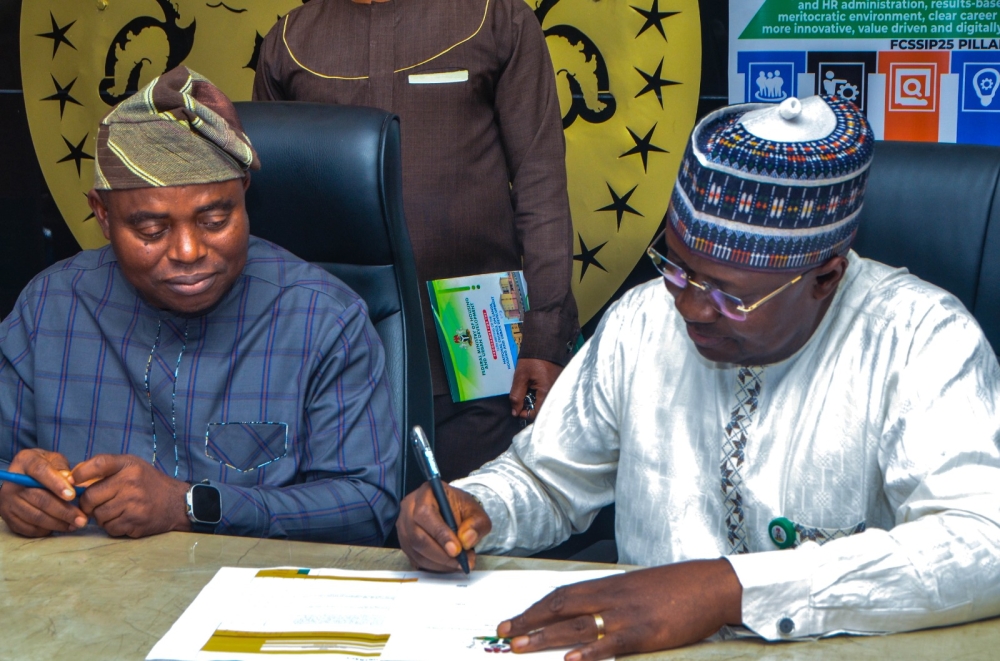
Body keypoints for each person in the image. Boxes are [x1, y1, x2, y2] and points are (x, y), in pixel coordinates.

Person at [395, 96, 1000, 659]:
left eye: (730, 298)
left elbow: (982, 542)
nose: (689, 307)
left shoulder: (919, 338)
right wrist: (477, 507)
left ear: (826, 278)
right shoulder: (641, 320)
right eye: (678, 270)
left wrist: (727, 588)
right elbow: (548, 479)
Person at [0, 67, 400, 544]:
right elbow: (7, 467)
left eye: (215, 219)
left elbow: (368, 507)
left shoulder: (323, 318)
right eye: (152, 230)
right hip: (81, 604)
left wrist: (190, 504)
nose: (188, 251)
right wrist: (12, 491)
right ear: (103, 216)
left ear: (244, 197)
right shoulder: (48, 309)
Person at [252, 0, 579, 480]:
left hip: (478, 354)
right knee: (345, 535)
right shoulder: (291, 42)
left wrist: (545, 338)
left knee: (470, 527)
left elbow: (540, 180)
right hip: (337, 356)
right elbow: (273, 206)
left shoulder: (497, 18)